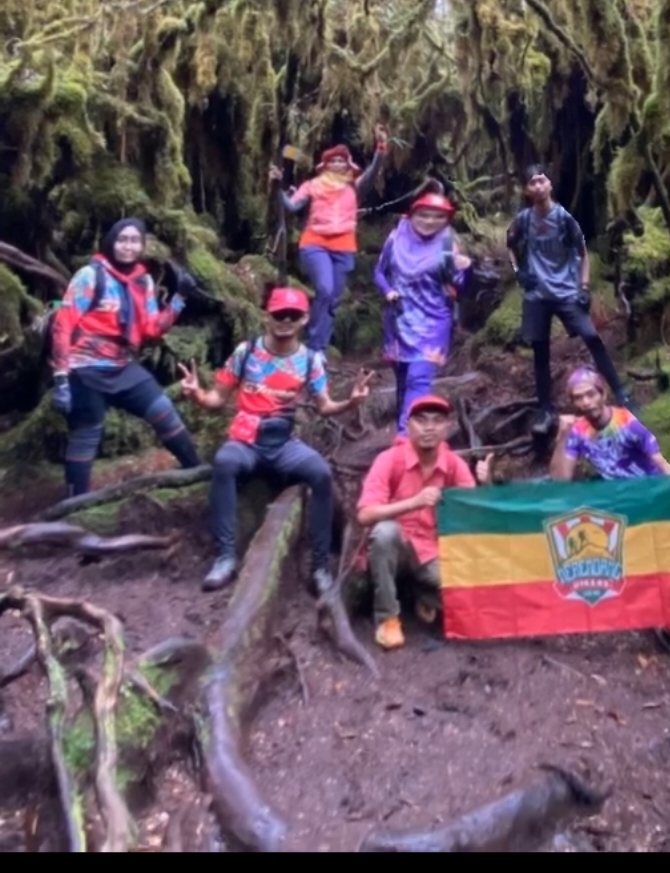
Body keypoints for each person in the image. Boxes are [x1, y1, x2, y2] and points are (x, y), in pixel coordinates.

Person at [179, 286, 371, 594]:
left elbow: (323, 406)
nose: (285, 320)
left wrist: (350, 403)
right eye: (279, 314)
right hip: (246, 441)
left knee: (321, 473)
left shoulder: (310, 360)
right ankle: (225, 557)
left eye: (292, 315)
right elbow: (217, 398)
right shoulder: (247, 352)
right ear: (268, 315)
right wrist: (196, 394)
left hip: (283, 443)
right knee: (225, 463)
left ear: (304, 319)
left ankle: (320, 566)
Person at [51, 219, 201, 498]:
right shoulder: (89, 275)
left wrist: (179, 297)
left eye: (135, 241)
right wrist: (60, 378)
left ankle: (199, 472)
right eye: (122, 240)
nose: (128, 246)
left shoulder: (142, 280)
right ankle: (74, 507)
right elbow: (63, 324)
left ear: (142, 246)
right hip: (84, 369)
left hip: (121, 365)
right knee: (86, 433)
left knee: (162, 409)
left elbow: (152, 329)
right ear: (111, 242)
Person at [357, 395, 491, 650]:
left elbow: (474, 515)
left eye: (437, 421)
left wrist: (485, 485)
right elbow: (365, 515)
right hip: (394, 549)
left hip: (430, 551)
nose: (429, 427)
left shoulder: (453, 464)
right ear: (408, 426)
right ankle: (388, 619)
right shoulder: (389, 460)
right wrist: (413, 503)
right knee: (385, 532)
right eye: (421, 420)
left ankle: (422, 594)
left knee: (471, 599)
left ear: (447, 427)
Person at [507, 164, 631, 435]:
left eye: (541, 181)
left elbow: (582, 252)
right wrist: (519, 272)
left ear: (550, 185)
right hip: (536, 295)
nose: (538, 186)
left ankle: (620, 391)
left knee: (591, 337)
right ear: (527, 190)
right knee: (540, 352)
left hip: (565, 292)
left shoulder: (564, 219)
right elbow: (511, 247)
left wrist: (584, 286)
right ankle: (545, 408)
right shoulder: (523, 220)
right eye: (532, 183)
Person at [269, 123, 389, 354]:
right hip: (315, 243)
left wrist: (381, 145)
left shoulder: (354, 187)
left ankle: (319, 349)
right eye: (333, 161)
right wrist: (277, 186)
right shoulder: (312, 185)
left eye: (341, 161)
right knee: (324, 289)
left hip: (344, 246)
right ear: (325, 165)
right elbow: (292, 205)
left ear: (347, 164)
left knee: (333, 300)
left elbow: (375, 169)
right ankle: (314, 345)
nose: (337, 164)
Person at [374, 191, 472, 433]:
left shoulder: (449, 241)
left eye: (438, 216)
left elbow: (460, 286)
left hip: (433, 322)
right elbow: (379, 272)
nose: (430, 221)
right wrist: (387, 291)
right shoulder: (396, 236)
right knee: (402, 380)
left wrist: (467, 269)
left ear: (447, 219)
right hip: (399, 320)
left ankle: (405, 438)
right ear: (412, 214)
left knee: (419, 378)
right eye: (424, 215)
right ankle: (403, 427)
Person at [550, 369, 670, 481]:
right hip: (617, 495)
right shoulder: (578, 431)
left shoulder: (627, 423)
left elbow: (662, 465)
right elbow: (561, 481)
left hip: (648, 487)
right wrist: (562, 437)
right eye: (578, 398)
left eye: (591, 394)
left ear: (603, 395)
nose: (586, 402)